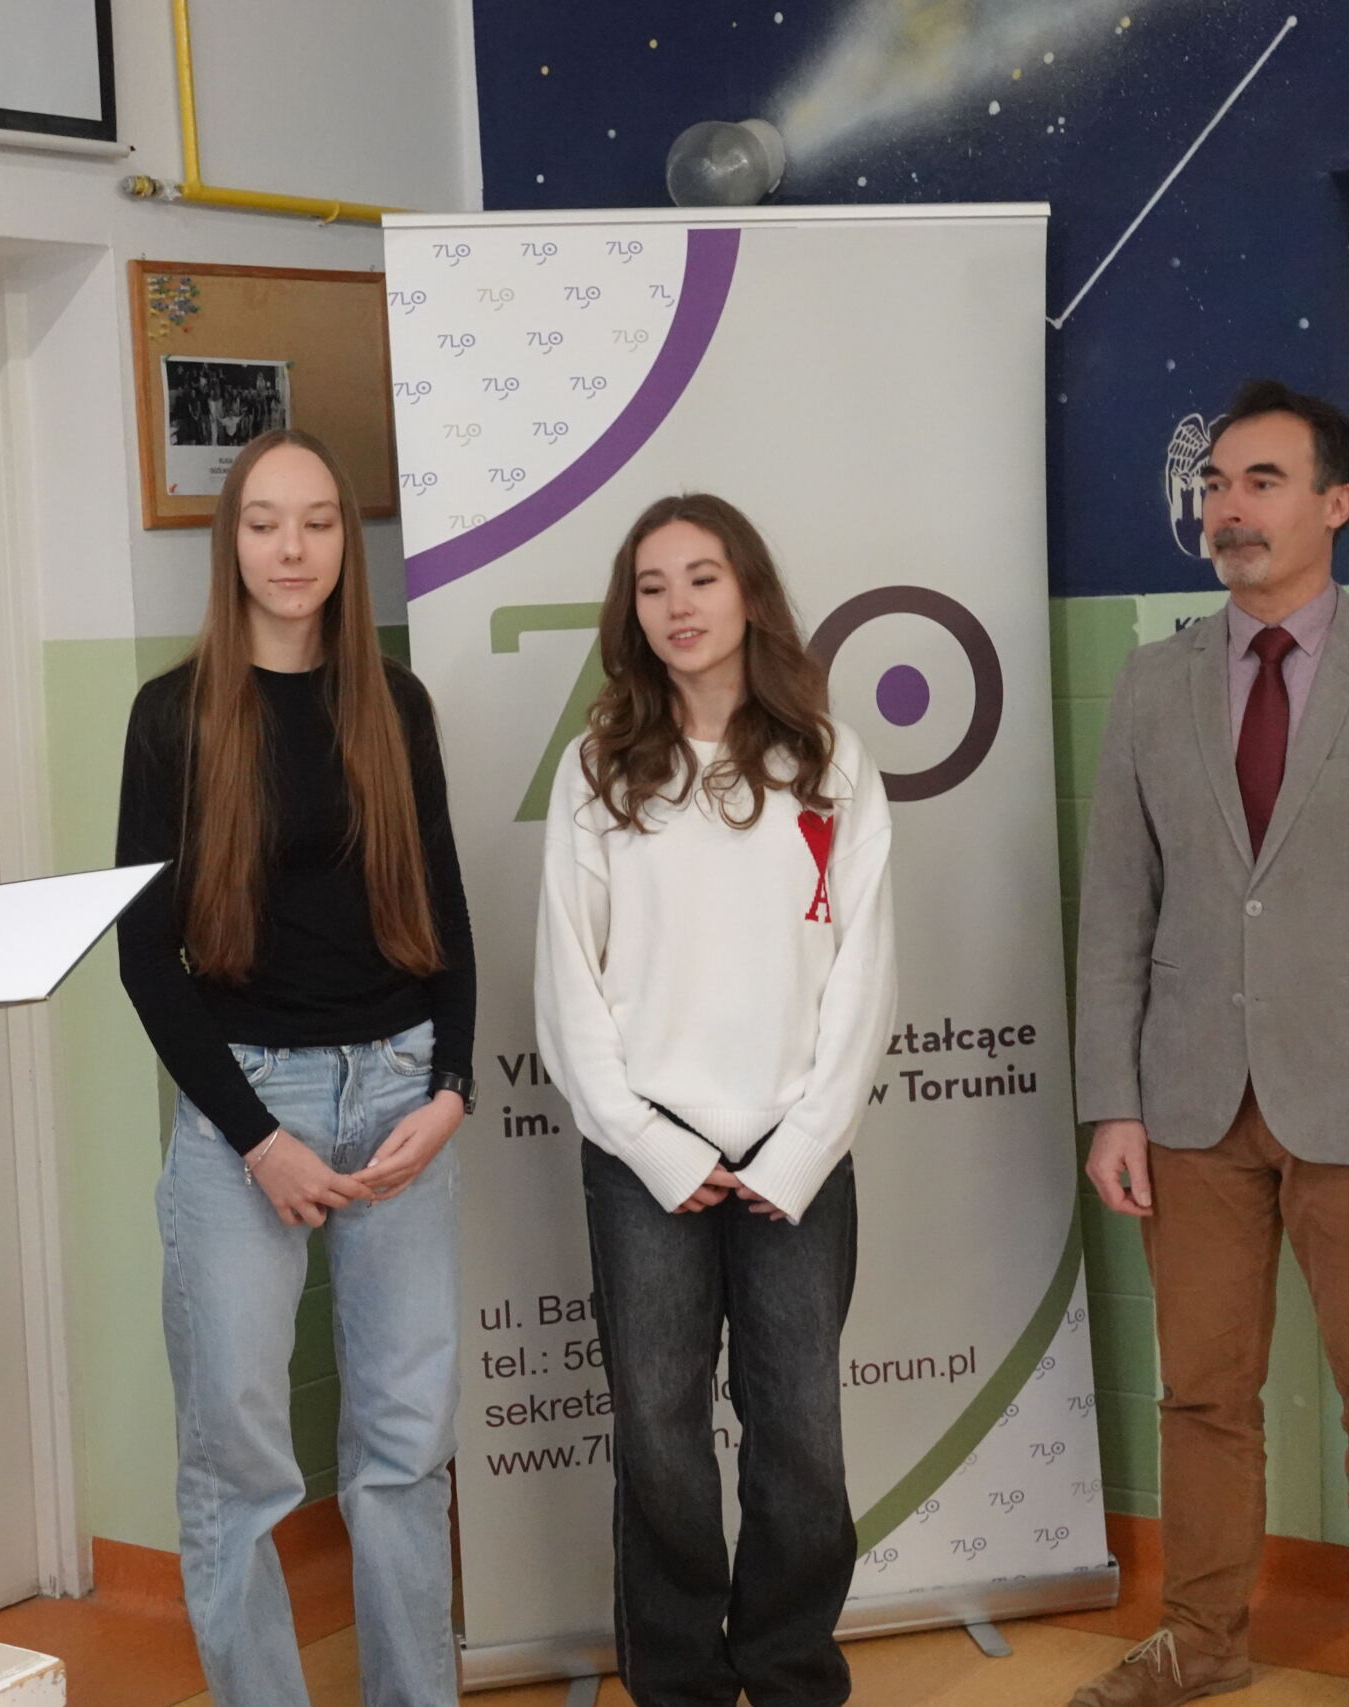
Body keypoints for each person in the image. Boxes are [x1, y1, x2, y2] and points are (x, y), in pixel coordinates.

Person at [1070, 381, 1349, 1707]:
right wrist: (1112, 1101)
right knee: (1202, 1392)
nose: (1228, 507)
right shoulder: (1152, 683)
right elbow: (1116, 910)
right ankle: (1198, 1637)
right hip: (1189, 1105)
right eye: (1215, 484)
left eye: (1262, 481)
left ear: (1337, 502)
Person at [114, 427, 477, 1707]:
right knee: (237, 1460)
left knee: (404, 1447)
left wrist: (452, 1089)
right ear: (231, 544)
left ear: (345, 544)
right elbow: (145, 958)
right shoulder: (172, 717)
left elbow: (444, 910)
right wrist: (258, 1139)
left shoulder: (395, 705)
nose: (291, 548)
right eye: (264, 522)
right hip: (244, 1114)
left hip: (399, 1095)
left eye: (318, 521)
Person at [535, 493, 898, 1707]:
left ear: (748, 591)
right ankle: (680, 1682)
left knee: (800, 1438)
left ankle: (790, 1671)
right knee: (660, 1439)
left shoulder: (832, 761)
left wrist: (800, 1148)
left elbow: (862, 974)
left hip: (795, 1153)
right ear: (629, 613)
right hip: (647, 1159)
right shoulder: (598, 769)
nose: (678, 606)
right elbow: (567, 983)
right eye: (652, 586)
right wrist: (649, 1145)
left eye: (701, 578)